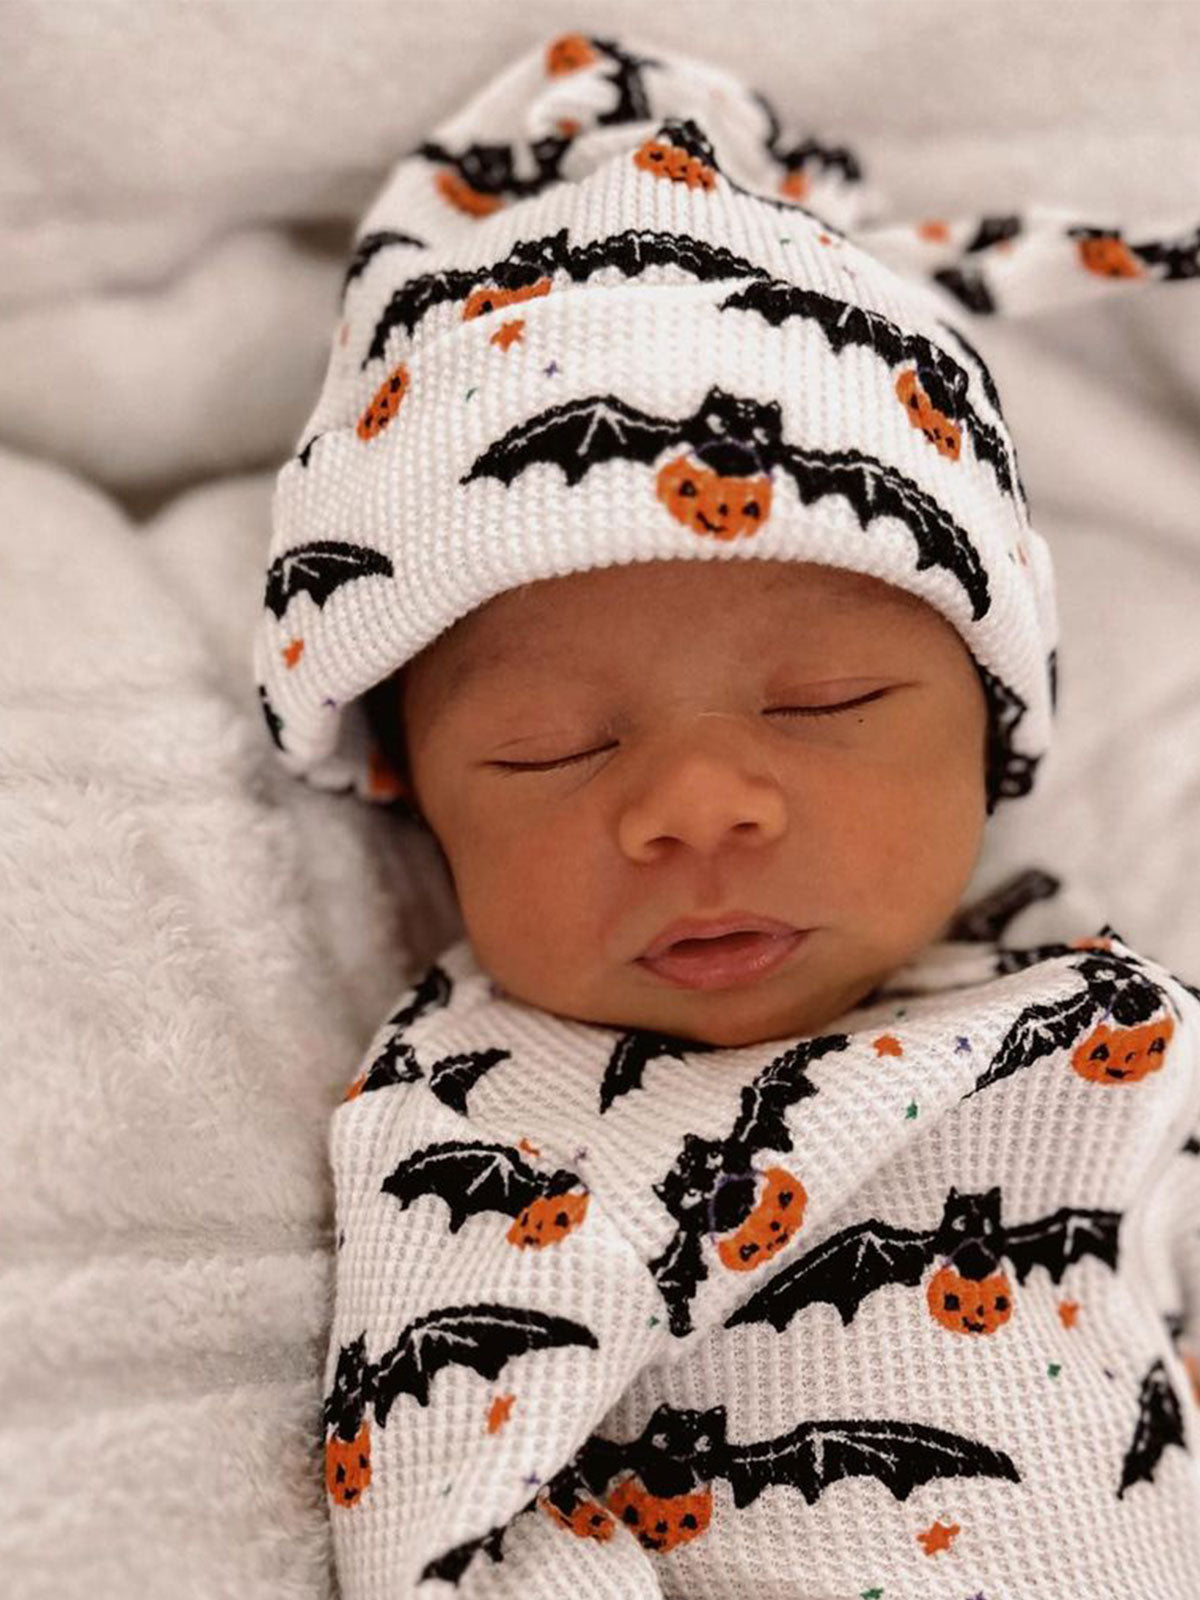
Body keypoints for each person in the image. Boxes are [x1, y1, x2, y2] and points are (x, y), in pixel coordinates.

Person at [252, 31, 1200, 1600]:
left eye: (823, 704)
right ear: (411, 796)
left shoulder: (1104, 1023)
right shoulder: (491, 1124)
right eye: (550, 749)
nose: (695, 809)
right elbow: (450, 1513)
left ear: (993, 732)